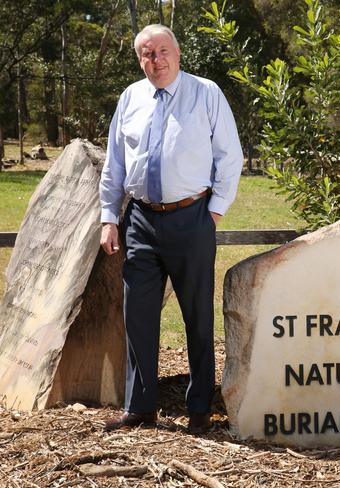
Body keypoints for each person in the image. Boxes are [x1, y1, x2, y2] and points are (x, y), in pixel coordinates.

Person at [99, 24, 243, 434]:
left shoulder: (206, 93)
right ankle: (140, 407)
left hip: (191, 218)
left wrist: (213, 212)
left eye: (162, 51)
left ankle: (200, 407)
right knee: (138, 316)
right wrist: (110, 216)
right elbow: (115, 163)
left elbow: (229, 156)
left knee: (197, 316)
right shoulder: (131, 98)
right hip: (140, 220)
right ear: (139, 59)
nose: (155, 60)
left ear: (177, 54)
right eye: (146, 54)